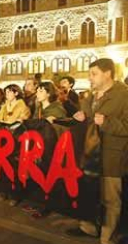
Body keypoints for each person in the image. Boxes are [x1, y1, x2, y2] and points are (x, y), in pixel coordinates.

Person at [67, 58, 128, 244]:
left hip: (112, 157)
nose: (89, 77)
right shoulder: (90, 96)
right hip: (90, 155)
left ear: (108, 73)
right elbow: (86, 118)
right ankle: (89, 227)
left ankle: (107, 237)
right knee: (89, 192)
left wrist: (107, 123)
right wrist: (82, 117)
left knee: (110, 200)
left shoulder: (124, 95)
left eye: (93, 74)